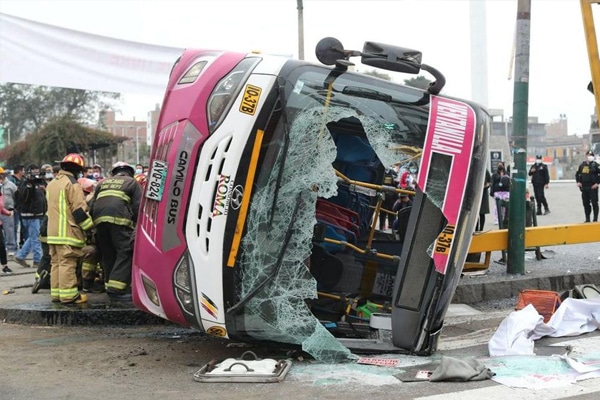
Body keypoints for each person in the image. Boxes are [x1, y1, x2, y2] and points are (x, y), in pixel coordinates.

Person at [46, 153, 94, 304]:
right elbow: (79, 211)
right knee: (67, 263)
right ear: (77, 170)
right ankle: (69, 296)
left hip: (52, 233)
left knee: (56, 263)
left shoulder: (52, 183)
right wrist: (90, 228)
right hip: (67, 232)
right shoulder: (73, 184)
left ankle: (56, 294)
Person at [90, 161, 142, 301]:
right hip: (119, 221)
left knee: (108, 253)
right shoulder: (132, 182)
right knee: (126, 251)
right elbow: (138, 207)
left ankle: (109, 285)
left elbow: (92, 205)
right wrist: (138, 225)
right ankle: (116, 289)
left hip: (99, 222)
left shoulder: (102, 183)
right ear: (130, 172)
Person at [13, 164, 46, 269]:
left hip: (38, 214)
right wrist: (30, 185)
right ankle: (37, 260)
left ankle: (20, 256)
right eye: (34, 171)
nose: (36, 174)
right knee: (36, 238)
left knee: (33, 237)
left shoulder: (39, 183)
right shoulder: (25, 183)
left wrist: (44, 189)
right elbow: (25, 197)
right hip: (31, 215)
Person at [575, 150, 599, 223]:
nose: (590, 157)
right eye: (589, 155)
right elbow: (577, 174)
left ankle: (595, 219)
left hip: (593, 187)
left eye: (591, 155)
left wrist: (597, 183)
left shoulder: (596, 165)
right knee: (586, 204)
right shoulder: (582, 165)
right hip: (584, 187)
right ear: (586, 156)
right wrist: (578, 182)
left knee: (594, 203)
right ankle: (587, 219)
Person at [0, 167, 18, 259]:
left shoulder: (11, 185)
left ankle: (11, 249)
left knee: (9, 230)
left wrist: (15, 207)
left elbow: (17, 196)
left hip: (8, 210)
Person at [0, 187, 15, 273]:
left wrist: (8, 213)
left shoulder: (1, 195)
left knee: (1, 245)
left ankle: (5, 266)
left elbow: (1, 208)